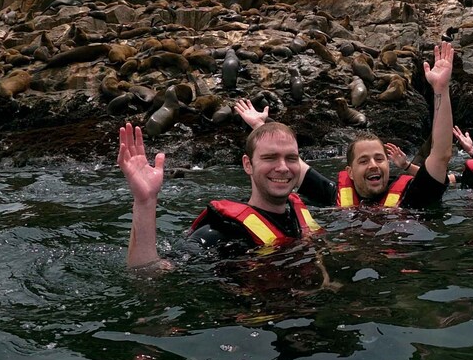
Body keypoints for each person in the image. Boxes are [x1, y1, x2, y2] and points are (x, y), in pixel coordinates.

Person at [235, 41, 455, 209]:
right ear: (349, 171)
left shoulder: (413, 195)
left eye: (379, 158)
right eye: (363, 160)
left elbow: (441, 153)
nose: (373, 165)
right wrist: (259, 126)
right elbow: (294, 164)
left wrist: (441, 90)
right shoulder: (333, 196)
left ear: (388, 165)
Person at [117, 121, 321, 269]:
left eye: (291, 158)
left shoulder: (300, 217)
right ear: (248, 165)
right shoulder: (220, 233)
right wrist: (145, 202)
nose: (283, 167)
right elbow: (148, 273)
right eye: (270, 158)